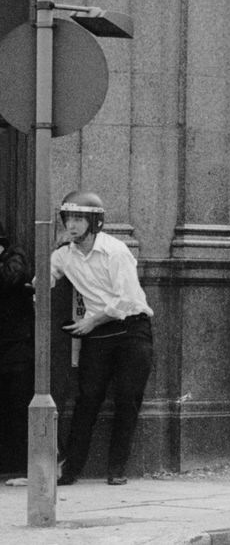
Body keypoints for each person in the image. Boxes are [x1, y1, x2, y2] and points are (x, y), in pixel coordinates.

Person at [49, 191, 154, 486]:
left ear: (95, 221)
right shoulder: (64, 254)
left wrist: (91, 321)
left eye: (79, 218)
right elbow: (46, 277)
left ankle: (117, 469)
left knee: (127, 399)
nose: (72, 225)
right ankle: (70, 472)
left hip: (132, 329)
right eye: (68, 218)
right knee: (87, 400)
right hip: (97, 332)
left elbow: (126, 300)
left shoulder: (115, 251)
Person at [0, 221, 32, 477]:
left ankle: (17, 466)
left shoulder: (14, 256)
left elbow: (9, 279)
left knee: (16, 407)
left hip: (15, 349)